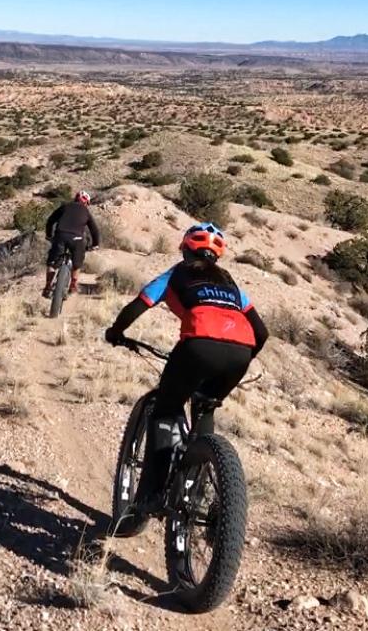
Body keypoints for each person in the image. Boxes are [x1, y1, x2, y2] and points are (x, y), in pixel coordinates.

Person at [103, 222, 268, 512]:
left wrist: (115, 332)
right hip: (240, 353)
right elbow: (262, 333)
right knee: (205, 406)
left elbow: (138, 306)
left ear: (184, 248)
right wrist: (237, 359)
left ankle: (151, 495)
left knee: (165, 409)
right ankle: (197, 490)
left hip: (197, 347)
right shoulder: (231, 284)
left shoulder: (175, 274)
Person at [43, 190, 101, 298]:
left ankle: (48, 286)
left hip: (60, 235)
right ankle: (73, 286)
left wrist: (49, 235)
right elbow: (95, 230)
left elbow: (50, 220)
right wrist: (95, 244)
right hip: (77, 239)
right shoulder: (86, 212)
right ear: (86, 203)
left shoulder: (65, 206)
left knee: (52, 263)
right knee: (77, 263)